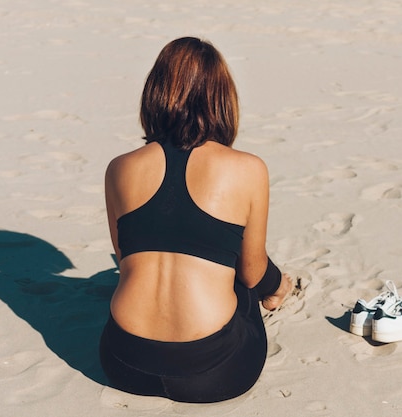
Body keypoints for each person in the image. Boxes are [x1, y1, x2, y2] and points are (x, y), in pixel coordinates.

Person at [100, 37, 292, 403]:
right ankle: (278, 292)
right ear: (222, 99)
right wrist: (279, 284)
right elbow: (252, 272)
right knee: (243, 285)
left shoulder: (119, 168)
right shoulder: (247, 168)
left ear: (154, 94)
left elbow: (126, 262)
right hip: (215, 372)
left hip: (123, 362)